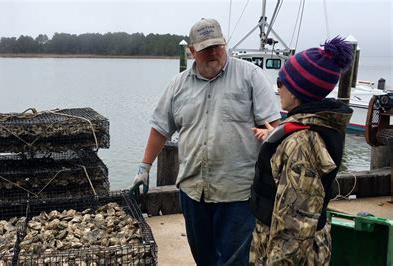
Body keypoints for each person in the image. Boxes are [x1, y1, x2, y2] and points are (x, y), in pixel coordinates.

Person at [130, 18, 280, 265]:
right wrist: (143, 168)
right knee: (204, 258)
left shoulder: (251, 76)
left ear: (225, 43)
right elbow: (160, 128)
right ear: (191, 51)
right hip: (193, 191)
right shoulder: (178, 85)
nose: (213, 53)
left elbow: (272, 126)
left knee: (234, 261)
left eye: (217, 46)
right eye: (205, 48)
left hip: (238, 194)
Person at [249, 36, 354, 265]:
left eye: (280, 82)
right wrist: (277, 141)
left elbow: (294, 227)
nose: (277, 89)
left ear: (295, 91)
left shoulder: (302, 144)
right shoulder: (305, 132)